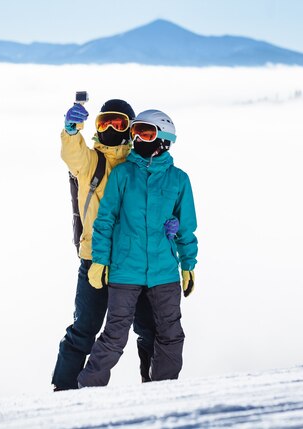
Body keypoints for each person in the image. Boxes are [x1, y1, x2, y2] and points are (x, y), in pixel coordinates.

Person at [52, 100, 176, 390]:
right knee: (84, 329)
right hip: (94, 259)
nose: (110, 129)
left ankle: (154, 385)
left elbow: (160, 198)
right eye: (104, 122)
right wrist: (70, 131)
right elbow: (73, 155)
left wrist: (171, 223)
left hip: (134, 262)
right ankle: (63, 390)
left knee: (149, 329)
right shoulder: (90, 161)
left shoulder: (141, 163)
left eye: (118, 123)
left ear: (131, 128)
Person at [77, 109, 198, 387]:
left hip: (164, 272)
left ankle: (162, 390)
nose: (139, 139)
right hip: (125, 269)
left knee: (170, 334)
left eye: (147, 133)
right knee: (115, 335)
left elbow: (186, 227)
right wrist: (100, 261)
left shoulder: (179, 180)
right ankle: (86, 389)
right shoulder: (123, 175)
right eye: (136, 132)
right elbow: (105, 220)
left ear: (164, 139)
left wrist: (188, 265)